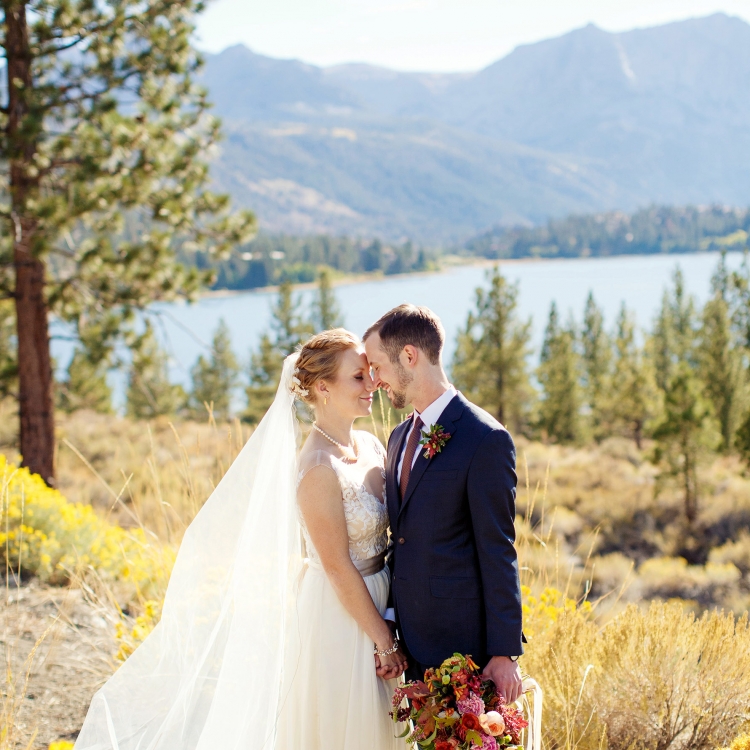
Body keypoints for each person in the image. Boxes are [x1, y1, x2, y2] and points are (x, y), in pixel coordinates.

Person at [74, 329, 405, 750]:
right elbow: (337, 566)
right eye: (358, 376)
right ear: (323, 387)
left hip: (381, 598)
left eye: (370, 372)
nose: (372, 383)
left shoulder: (372, 446)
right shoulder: (318, 467)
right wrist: (383, 640)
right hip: (340, 614)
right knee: (351, 727)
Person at [364, 304, 525, 703]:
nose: (375, 380)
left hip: (465, 651)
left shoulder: (484, 439)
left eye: (378, 366)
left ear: (409, 356)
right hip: (410, 648)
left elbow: (498, 550)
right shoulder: (398, 437)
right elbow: (402, 541)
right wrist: (391, 622)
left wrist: (504, 653)